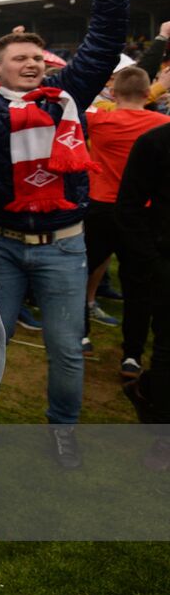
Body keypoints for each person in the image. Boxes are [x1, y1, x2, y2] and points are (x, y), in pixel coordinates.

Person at [0, 0, 131, 467]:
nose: (32, 64)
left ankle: (62, 432)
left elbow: (102, 47)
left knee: (65, 348)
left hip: (63, 245)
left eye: (37, 57)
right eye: (20, 58)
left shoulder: (67, 95)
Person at [84, 67, 170, 378]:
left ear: (114, 94)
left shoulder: (100, 120)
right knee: (139, 285)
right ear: (148, 94)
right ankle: (132, 354)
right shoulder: (163, 124)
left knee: (85, 270)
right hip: (144, 214)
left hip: (102, 207)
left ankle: (82, 335)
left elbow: (82, 108)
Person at [117, 122, 170, 470]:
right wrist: (156, 263)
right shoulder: (155, 143)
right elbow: (129, 207)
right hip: (166, 262)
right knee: (168, 348)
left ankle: (146, 389)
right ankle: (163, 436)